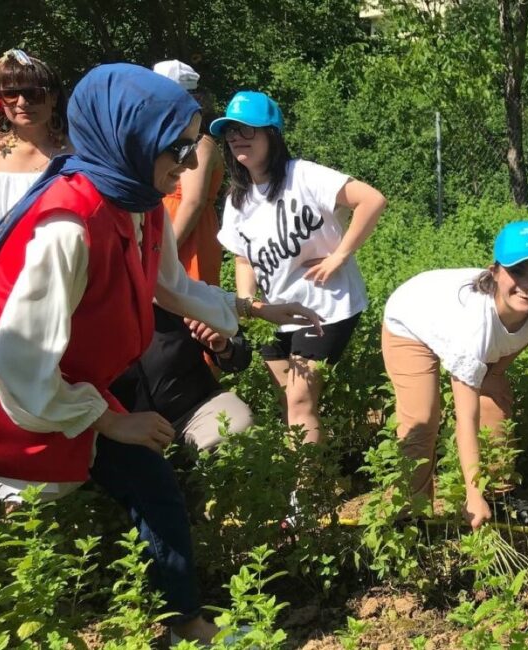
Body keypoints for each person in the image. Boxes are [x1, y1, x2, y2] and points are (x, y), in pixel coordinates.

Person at [0, 63, 321, 645]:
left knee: (155, 488)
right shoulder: (69, 224)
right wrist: (111, 422)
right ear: (128, 138)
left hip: (82, 386)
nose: (193, 163)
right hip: (21, 400)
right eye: (177, 146)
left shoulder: (138, 199)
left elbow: (169, 284)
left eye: (192, 143)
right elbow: (17, 364)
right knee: (21, 511)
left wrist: (253, 309)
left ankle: (184, 624)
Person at [214, 91, 387, 446]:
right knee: (288, 402)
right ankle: (312, 475)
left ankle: (306, 499)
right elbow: (243, 257)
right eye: (230, 131)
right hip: (278, 311)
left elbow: (371, 199)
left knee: (299, 399)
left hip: (325, 307)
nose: (236, 138)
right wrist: (248, 303)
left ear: (271, 135)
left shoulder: (303, 175)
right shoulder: (237, 199)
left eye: (247, 129)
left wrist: (339, 256)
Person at [382, 221, 528, 529]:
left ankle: (499, 494)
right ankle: (410, 511)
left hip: (478, 337)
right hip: (412, 322)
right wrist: (471, 493)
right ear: (495, 271)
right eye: (517, 270)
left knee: (494, 397)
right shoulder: (473, 323)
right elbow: (465, 418)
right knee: (423, 419)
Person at [110, 306, 254, 454]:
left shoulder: (171, 297)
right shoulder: (89, 324)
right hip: (123, 428)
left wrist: (225, 347)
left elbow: (240, 352)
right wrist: (112, 422)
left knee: (235, 429)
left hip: (197, 409)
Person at [152, 60, 227, 285]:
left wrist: (163, 255)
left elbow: (193, 202)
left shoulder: (201, 144)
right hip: (161, 230)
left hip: (186, 236)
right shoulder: (163, 140)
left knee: (189, 312)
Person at [0, 50, 70, 222]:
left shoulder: (79, 152)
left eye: (33, 94)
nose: (22, 103)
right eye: (11, 94)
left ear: (53, 97)